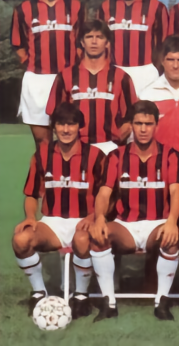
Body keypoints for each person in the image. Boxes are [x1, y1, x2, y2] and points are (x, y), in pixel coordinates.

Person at [89, 100, 179, 322]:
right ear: (131, 125)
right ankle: (109, 303)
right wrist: (99, 218)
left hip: (157, 224)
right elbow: (104, 193)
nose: (143, 129)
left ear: (156, 125)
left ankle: (162, 302)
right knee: (99, 236)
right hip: (126, 225)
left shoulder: (170, 155)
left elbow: (176, 191)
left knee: (171, 239)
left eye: (148, 124)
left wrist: (172, 222)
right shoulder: (116, 156)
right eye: (138, 123)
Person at [12, 103, 105, 318]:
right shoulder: (42, 156)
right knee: (21, 240)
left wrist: (94, 216)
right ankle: (39, 293)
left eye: (71, 124)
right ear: (53, 127)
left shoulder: (95, 156)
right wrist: (30, 217)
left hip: (84, 221)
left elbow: (107, 195)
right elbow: (31, 194)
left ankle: (81, 296)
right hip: (52, 222)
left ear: (79, 126)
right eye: (61, 124)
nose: (65, 129)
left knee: (82, 240)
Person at [11, 0, 85, 144]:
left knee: (70, 136)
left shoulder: (75, 6)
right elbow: (18, 44)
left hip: (68, 79)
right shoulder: (24, 9)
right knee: (42, 141)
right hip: (37, 80)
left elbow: (81, 42)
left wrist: (76, 68)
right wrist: (29, 64)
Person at [46, 20, 137, 155]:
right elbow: (54, 113)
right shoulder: (65, 76)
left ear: (107, 43)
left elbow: (132, 115)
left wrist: (118, 139)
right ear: (82, 42)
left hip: (110, 146)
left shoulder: (121, 77)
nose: (94, 42)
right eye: (89, 37)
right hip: (76, 147)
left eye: (99, 37)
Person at [97, 0, 168, 95]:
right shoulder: (105, 7)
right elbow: (99, 45)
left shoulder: (157, 7)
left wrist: (156, 70)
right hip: (114, 71)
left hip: (146, 73)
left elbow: (164, 45)